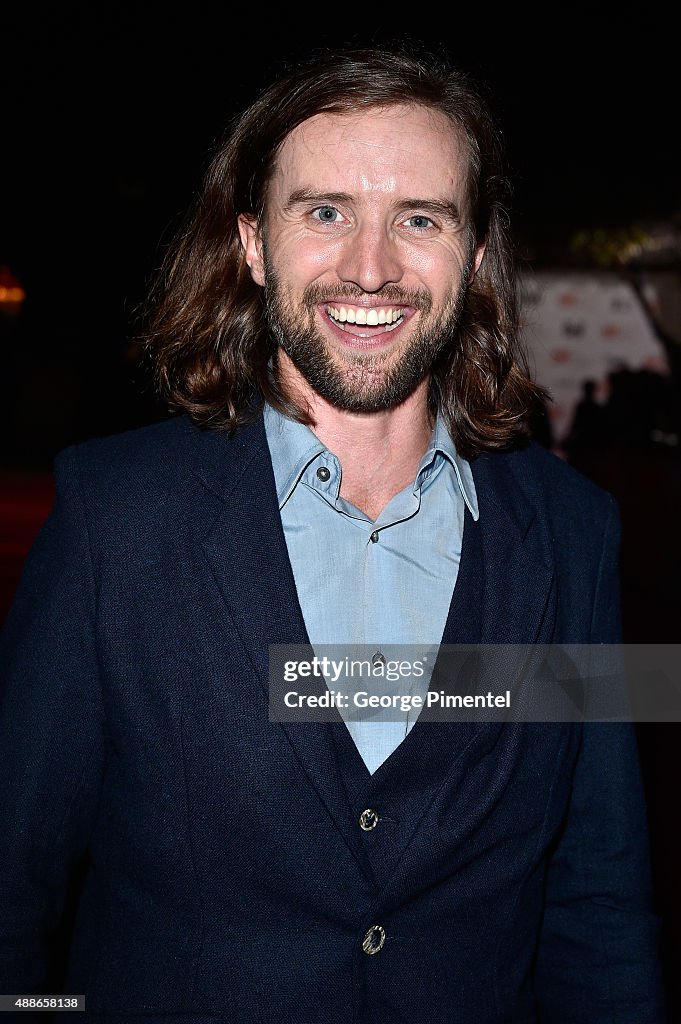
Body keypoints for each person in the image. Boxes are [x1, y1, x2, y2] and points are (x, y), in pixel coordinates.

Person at [0, 45, 665, 1022]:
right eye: (325, 213)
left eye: (419, 220)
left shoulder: (574, 536)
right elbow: (15, 890)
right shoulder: (113, 517)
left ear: (476, 256)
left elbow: (600, 898)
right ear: (254, 243)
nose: (370, 267)